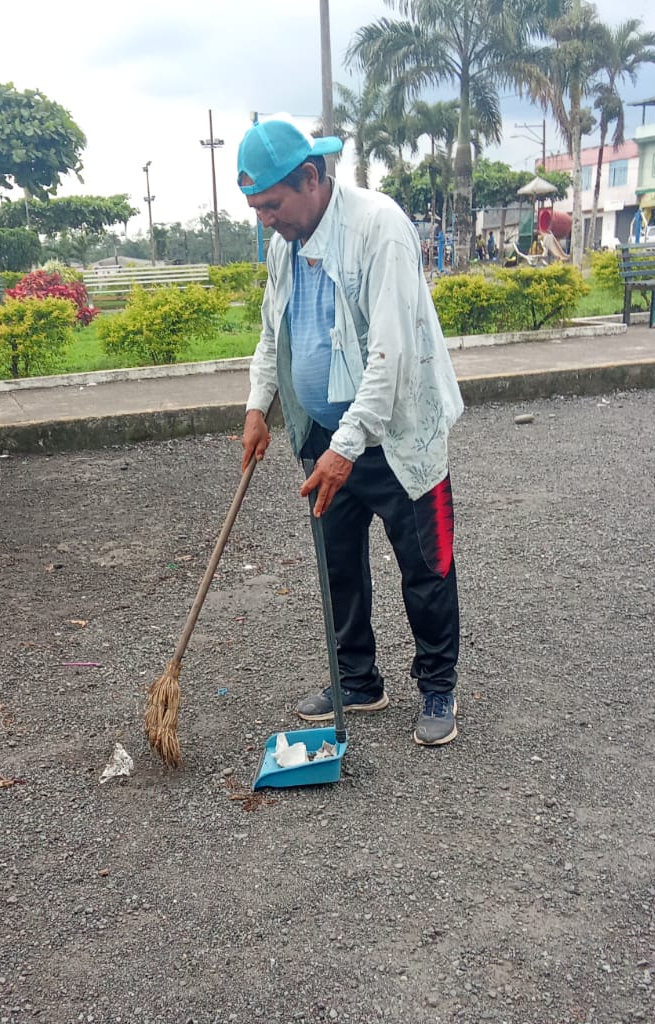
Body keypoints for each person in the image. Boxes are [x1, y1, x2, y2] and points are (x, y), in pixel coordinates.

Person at [237, 117, 463, 746]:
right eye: (257, 209)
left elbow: (389, 355)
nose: (266, 221)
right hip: (321, 437)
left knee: (426, 565)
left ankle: (438, 685)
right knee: (337, 566)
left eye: (273, 205)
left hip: (396, 436)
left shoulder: (378, 228)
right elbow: (273, 333)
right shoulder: (284, 245)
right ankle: (357, 680)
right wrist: (259, 406)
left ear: (311, 178)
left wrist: (347, 447)